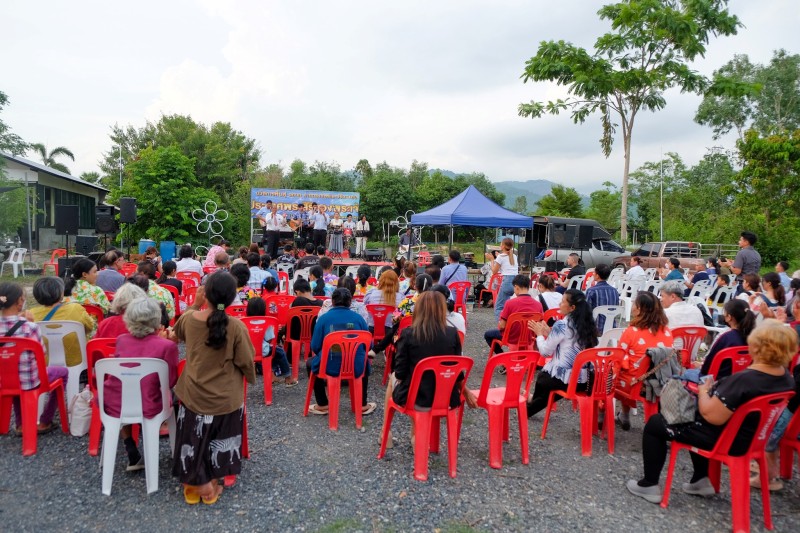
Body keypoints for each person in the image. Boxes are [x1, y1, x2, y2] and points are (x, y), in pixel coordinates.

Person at [625, 319, 795, 504]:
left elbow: (711, 416)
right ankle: (700, 479)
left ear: (756, 346)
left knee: (656, 423)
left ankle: (649, 484)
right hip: (753, 439)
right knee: (692, 416)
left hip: (726, 440)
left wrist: (704, 391)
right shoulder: (785, 378)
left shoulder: (745, 381)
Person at [171, 272, 256, 505]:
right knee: (221, 441)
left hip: (193, 396)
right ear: (231, 299)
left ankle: (194, 477)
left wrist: (194, 305)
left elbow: (177, 332)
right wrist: (250, 377)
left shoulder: (189, 320)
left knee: (192, 436)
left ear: (205, 294)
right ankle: (209, 479)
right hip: (225, 399)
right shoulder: (237, 327)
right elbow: (247, 361)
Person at [384, 291, 468, 446]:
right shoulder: (452, 334)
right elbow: (457, 371)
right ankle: (417, 436)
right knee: (419, 384)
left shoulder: (408, 333)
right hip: (445, 398)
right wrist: (467, 393)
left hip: (416, 399)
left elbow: (401, 373)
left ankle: (386, 434)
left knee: (394, 378)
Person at [107, 298, 179, 470]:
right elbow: (171, 381)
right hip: (150, 404)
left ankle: (129, 445)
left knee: (124, 392)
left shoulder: (122, 340)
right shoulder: (167, 346)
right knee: (177, 397)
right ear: (156, 319)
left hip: (116, 402)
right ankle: (177, 447)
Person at [0, 282, 68, 435]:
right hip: (29, 381)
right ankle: (45, 420)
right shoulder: (29, 327)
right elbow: (41, 353)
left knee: (15, 376)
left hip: (3, 381)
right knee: (62, 372)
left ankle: (21, 424)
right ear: (19, 302)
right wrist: (30, 322)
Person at [526, 289, 598, 417]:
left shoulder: (562, 324)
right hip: (585, 380)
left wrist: (539, 335)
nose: (559, 304)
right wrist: (549, 333)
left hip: (567, 380)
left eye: (563, 301)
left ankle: (528, 407)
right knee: (546, 384)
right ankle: (530, 404)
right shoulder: (587, 324)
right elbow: (569, 342)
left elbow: (545, 352)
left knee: (544, 378)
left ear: (572, 307)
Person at [306, 288, 375, 416]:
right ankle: (362, 404)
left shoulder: (324, 319)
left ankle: (322, 404)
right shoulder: (359, 319)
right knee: (364, 361)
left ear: (332, 301)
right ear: (350, 302)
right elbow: (368, 344)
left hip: (329, 366)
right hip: (355, 367)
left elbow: (315, 346)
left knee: (310, 363)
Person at [616, 292, 673, 430]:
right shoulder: (667, 331)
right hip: (660, 380)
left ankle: (618, 413)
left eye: (635, 303)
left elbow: (619, 357)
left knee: (614, 374)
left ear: (640, 309)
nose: (633, 306)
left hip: (636, 383)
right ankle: (624, 415)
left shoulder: (631, 331)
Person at [29, 277, 96, 367]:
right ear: (61, 293)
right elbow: (90, 327)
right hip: (77, 365)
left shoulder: (31, 314)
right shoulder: (75, 309)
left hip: (45, 368)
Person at [690, 299, 756, 379]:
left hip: (716, 382)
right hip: (742, 381)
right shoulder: (755, 338)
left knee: (685, 374)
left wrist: (700, 366)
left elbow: (707, 367)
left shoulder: (725, 337)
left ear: (729, 317)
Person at [484, 275, 542, 355]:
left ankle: (502, 357)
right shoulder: (538, 305)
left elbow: (502, 325)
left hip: (511, 338)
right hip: (529, 338)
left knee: (488, 334)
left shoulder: (510, 303)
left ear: (516, 287)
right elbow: (540, 325)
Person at [245, 297, 296, 386]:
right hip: (263, 351)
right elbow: (269, 339)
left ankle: (272, 375)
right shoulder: (266, 322)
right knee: (279, 352)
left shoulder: (244, 322)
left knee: (267, 354)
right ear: (264, 310)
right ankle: (287, 377)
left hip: (247, 351)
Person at [488, 238, 519, 321]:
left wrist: (492, 260)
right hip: (515, 282)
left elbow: (494, 271)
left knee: (499, 307)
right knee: (507, 305)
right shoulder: (514, 256)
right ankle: (508, 322)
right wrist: (498, 256)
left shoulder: (501, 257)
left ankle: (501, 325)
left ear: (503, 246)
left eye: (501, 244)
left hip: (507, 281)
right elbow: (506, 259)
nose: (500, 245)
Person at [585, 263, 620, 332]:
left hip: (596, 328)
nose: (593, 274)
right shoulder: (614, 291)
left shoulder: (591, 291)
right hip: (612, 327)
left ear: (597, 276)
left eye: (594, 272)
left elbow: (586, 311)